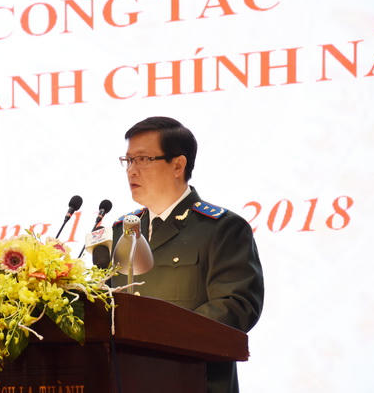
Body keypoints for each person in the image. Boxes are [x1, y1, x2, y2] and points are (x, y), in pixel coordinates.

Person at [111, 116, 264, 393]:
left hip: (195, 381)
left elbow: (236, 306)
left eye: (143, 159)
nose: (131, 171)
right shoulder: (122, 231)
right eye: (128, 160)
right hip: (127, 380)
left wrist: (154, 335)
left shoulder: (222, 228)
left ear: (178, 165)